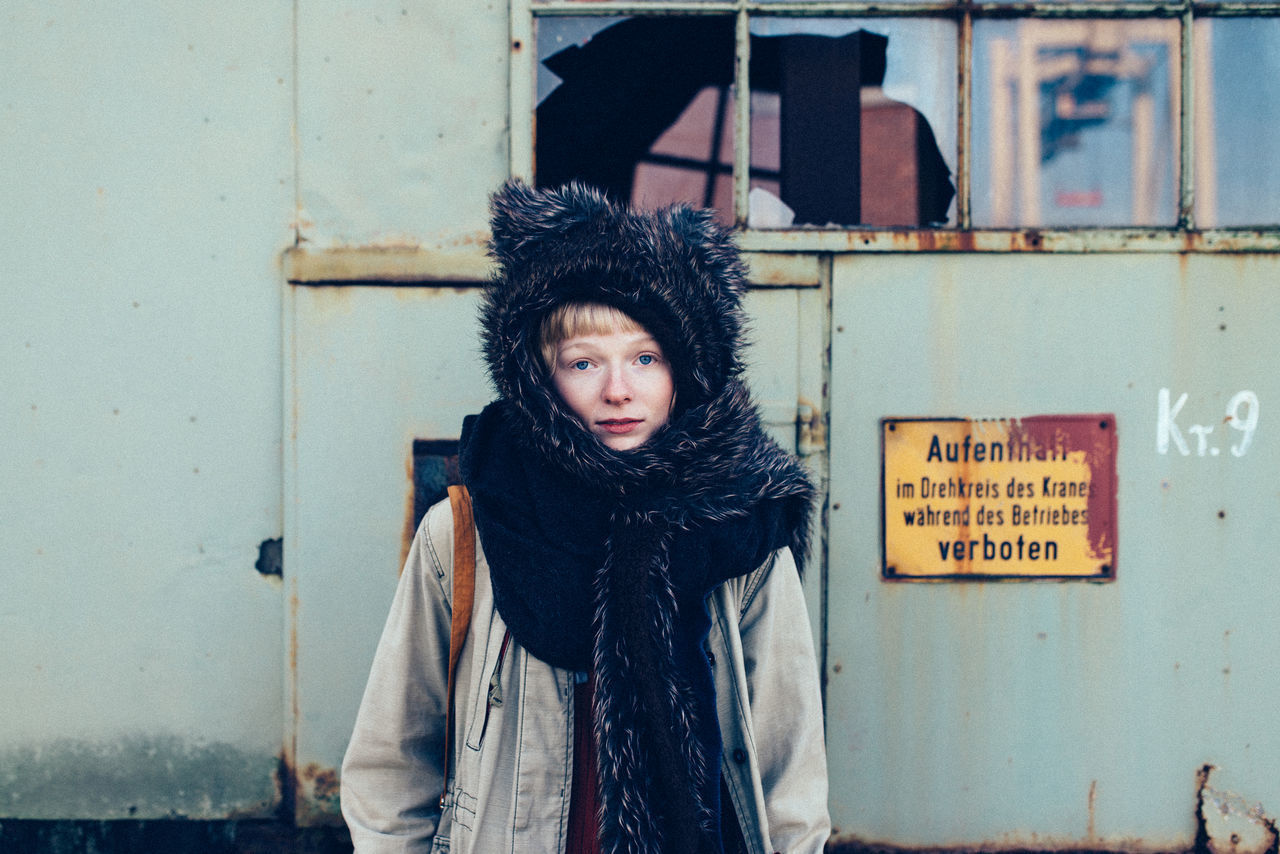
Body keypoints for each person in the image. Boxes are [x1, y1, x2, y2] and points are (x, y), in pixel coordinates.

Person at [340, 180, 830, 854]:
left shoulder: (742, 533)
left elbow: (789, 775)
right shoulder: (466, 532)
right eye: (583, 363)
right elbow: (391, 765)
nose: (618, 389)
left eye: (646, 358)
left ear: (685, 370)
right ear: (539, 377)